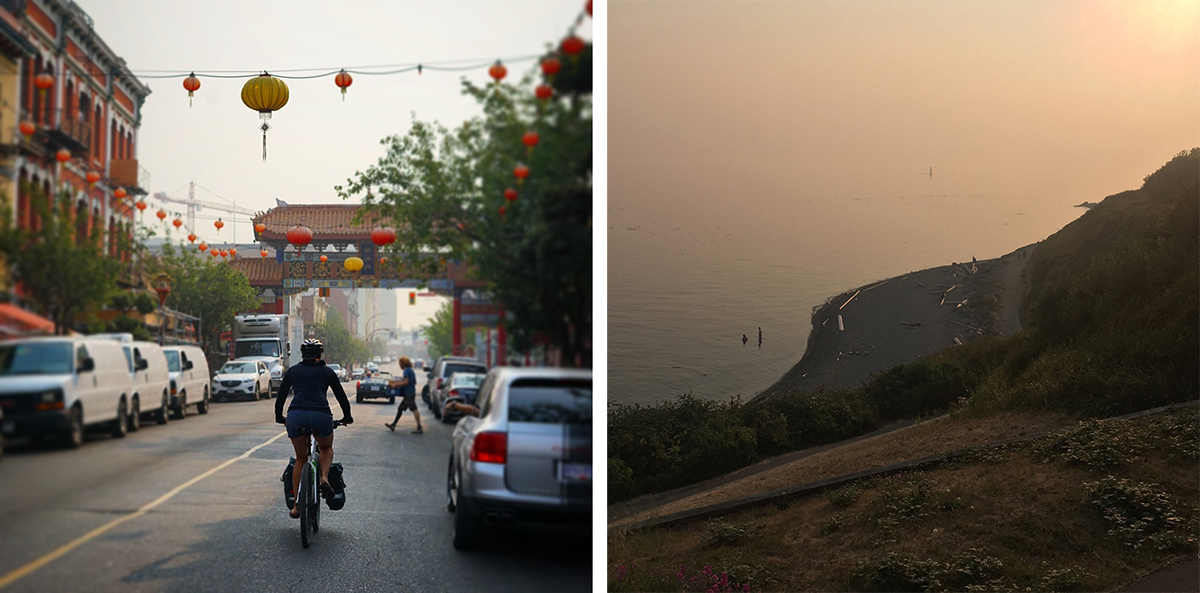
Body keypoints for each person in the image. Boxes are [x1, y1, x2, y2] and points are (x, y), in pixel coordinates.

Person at [275, 338, 353, 518]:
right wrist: (347, 417)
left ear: (303, 355)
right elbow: (341, 397)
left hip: (296, 415)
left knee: (301, 458)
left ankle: (296, 506)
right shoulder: (327, 372)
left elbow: (281, 397)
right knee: (325, 447)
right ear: (320, 355)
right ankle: (324, 478)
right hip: (320, 415)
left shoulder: (293, 371)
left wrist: (280, 417)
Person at [385, 357, 423, 434]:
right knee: (400, 408)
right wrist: (397, 382)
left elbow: (405, 382)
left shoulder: (406, 371)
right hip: (410, 393)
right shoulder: (411, 370)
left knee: (414, 409)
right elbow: (413, 382)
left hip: (409, 393)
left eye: (400, 364)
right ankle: (393, 425)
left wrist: (395, 385)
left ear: (403, 363)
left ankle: (419, 427)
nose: (400, 365)